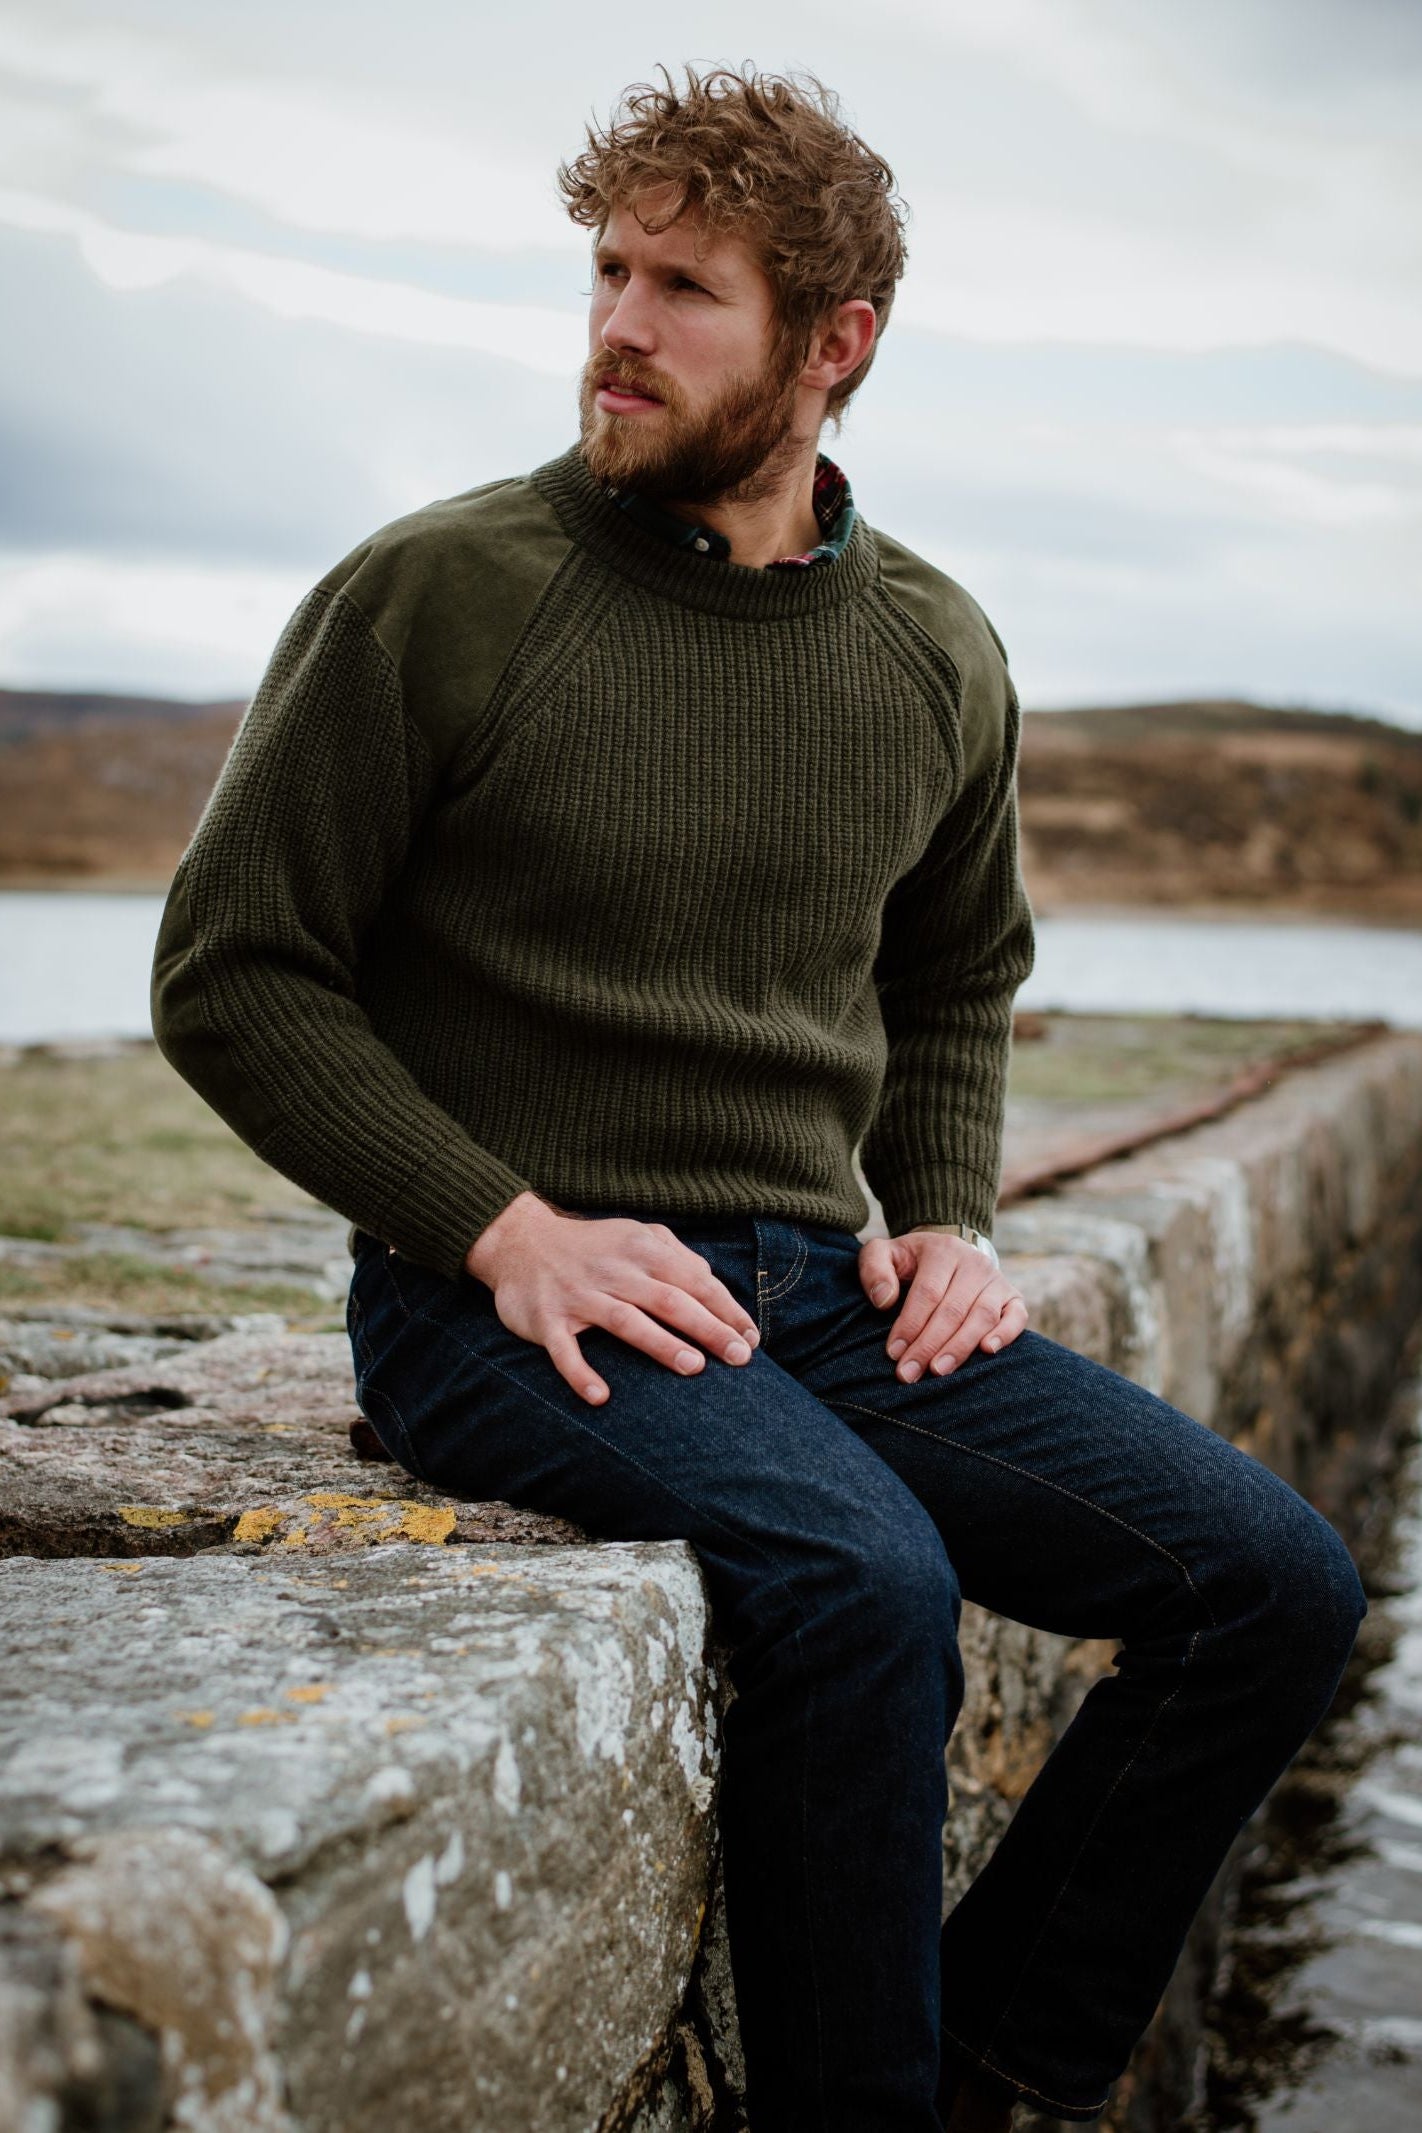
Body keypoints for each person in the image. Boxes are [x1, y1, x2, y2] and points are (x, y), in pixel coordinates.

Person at [150, 62, 1367, 2133]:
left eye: (682, 287)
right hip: (503, 1301)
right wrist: (502, 1226)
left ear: (834, 345)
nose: (617, 325)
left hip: (821, 1294)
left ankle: (985, 2058)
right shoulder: (438, 595)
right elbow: (235, 968)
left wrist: (951, 1211)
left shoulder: (932, 652)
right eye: (607, 271)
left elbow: (958, 968)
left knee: (1277, 1585)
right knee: (861, 1578)